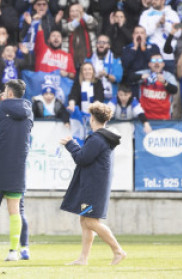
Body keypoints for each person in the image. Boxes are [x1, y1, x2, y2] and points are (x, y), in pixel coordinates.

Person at [60, 102, 126, 266]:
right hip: (95, 184)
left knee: (90, 222)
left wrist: (70, 145)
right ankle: (83, 259)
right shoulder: (102, 137)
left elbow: (82, 158)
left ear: (93, 118)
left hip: (93, 186)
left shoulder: (98, 138)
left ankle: (118, 250)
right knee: (85, 221)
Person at [0, 80, 32, 261]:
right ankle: (14, 251)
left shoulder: (1, 109)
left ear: (9, 93)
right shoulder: (29, 111)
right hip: (17, 166)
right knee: (15, 211)